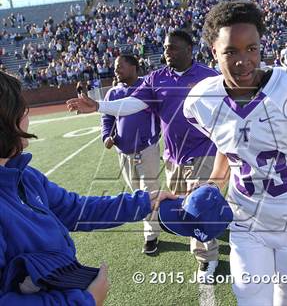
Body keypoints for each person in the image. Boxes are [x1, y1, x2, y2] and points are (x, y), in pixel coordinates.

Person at [183, 1, 287, 305]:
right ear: (213, 52)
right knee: (250, 297)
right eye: (230, 52)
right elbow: (229, 147)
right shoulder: (202, 100)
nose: (243, 60)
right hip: (247, 222)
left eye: (251, 48)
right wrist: (213, 182)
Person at [0, 71, 176, 305]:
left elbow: (76, 209)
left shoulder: (24, 175)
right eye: (21, 109)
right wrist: (84, 300)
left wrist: (144, 202)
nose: (26, 115)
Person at [66, 30, 220, 281]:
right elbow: (131, 104)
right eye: (165, 47)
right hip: (174, 156)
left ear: (189, 49)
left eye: (173, 48)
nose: (166, 52)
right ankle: (206, 235)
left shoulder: (209, 76)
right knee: (184, 205)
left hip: (204, 151)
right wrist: (98, 106)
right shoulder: (156, 78)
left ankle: (207, 258)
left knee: (198, 205)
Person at [101, 54, 162, 255]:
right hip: (124, 152)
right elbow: (107, 119)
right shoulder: (112, 93)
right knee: (136, 192)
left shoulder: (148, 86)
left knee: (148, 191)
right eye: (115, 67)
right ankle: (156, 220)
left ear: (135, 67)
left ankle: (151, 235)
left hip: (147, 149)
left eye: (120, 66)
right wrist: (106, 137)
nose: (116, 70)